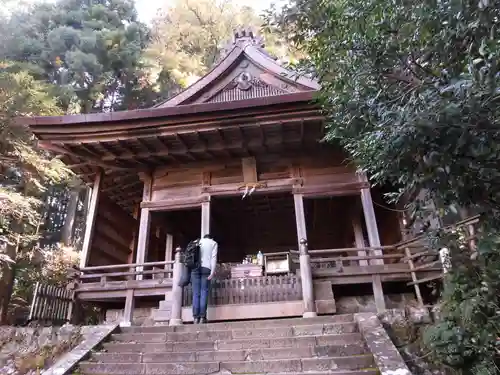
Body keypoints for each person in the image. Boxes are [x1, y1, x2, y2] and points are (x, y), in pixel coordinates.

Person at [191, 234, 218, 324]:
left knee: (196, 293)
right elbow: (213, 258)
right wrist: (212, 271)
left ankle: (195, 318)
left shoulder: (197, 241)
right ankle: (202, 317)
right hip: (206, 268)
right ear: (211, 238)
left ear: (204, 237)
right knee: (204, 292)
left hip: (195, 268)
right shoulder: (213, 243)